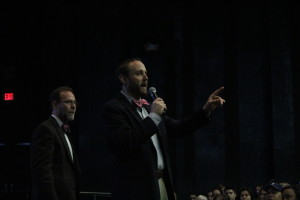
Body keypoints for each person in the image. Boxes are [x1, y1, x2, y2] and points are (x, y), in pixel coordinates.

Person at [102, 58, 225, 200]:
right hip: (135, 189)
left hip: (160, 182)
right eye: (139, 73)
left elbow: (179, 129)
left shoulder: (148, 107)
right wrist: (154, 116)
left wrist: (205, 111)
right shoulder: (113, 108)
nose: (146, 78)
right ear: (123, 79)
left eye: (146, 73)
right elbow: (125, 142)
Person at [30, 86, 80, 200]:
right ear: (54, 104)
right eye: (68, 102)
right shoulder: (45, 129)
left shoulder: (64, 129)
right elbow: (42, 173)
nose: (73, 106)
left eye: (75, 102)